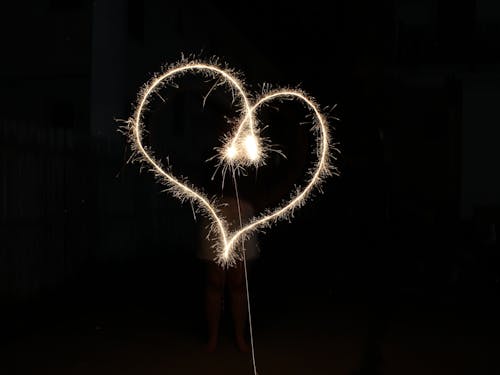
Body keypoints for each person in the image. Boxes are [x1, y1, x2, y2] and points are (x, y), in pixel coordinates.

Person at [196, 193, 260, 353]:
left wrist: (258, 200)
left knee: (238, 283)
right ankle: (213, 337)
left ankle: (239, 336)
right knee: (215, 282)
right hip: (214, 211)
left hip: (242, 212)